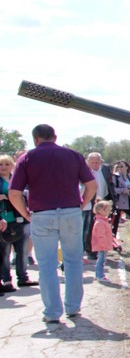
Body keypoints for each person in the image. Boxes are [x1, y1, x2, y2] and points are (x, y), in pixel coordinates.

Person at [7, 124, 97, 324]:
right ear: (55, 137)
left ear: (35, 139)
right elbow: (91, 185)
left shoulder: (27, 158)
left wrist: (26, 214)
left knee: (47, 264)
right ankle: (73, 307)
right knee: (73, 261)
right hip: (71, 211)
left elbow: (14, 193)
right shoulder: (73, 155)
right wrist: (82, 202)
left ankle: (52, 311)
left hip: (42, 213)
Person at [0, 154, 37, 292]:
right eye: (1, 164)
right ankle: (7, 280)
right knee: (5, 252)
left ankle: (23, 278)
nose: (3, 167)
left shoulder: (16, 178)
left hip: (20, 217)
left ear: (12, 166)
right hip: (4, 220)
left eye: (7, 164)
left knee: (22, 250)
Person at [83, 152, 114, 258]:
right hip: (91, 202)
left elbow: (110, 184)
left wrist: (113, 199)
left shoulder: (105, 169)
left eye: (97, 162)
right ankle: (90, 250)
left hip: (104, 200)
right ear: (88, 162)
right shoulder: (85, 171)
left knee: (105, 226)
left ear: (101, 161)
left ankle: (104, 247)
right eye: (92, 162)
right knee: (92, 227)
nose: (95, 164)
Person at [90, 200, 119, 282]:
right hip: (102, 246)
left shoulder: (103, 221)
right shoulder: (100, 222)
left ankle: (99, 274)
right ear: (100, 211)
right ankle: (100, 275)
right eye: (107, 210)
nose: (109, 212)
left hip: (104, 245)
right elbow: (100, 236)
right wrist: (103, 245)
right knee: (101, 260)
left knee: (102, 260)